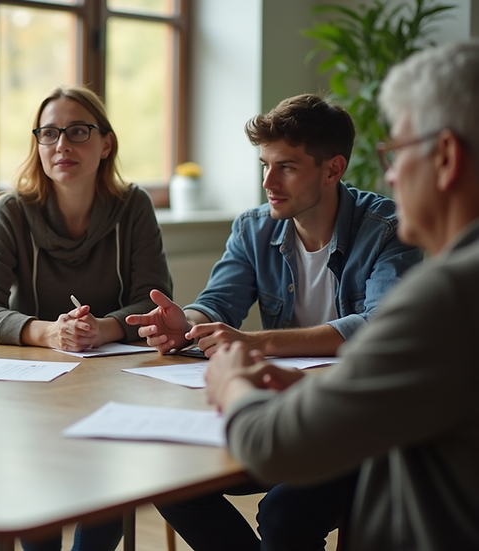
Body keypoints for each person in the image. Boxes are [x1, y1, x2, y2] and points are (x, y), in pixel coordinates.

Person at [204, 40, 479, 550]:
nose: (390, 175)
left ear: (444, 157)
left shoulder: (446, 296)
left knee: (284, 513)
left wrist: (231, 383)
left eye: (396, 153)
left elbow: (273, 444)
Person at [126, 94, 423, 551]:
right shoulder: (253, 228)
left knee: (285, 514)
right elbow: (218, 303)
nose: (268, 181)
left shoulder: (389, 228)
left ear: (332, 169)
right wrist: (185, 324)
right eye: (265, 165)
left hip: (353, 424)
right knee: (171, 481)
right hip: (280, 413)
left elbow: (377, 327)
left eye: (286, 167)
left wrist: (257, 343)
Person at [0, 85, 172, 551]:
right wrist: (51, 333)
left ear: (106, 143)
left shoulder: (133, 206)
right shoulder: (11, 211)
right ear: (37, 144)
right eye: (49, 133)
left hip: (111, 385)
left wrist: (103, 329)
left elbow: (153, 299)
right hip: (30, 392)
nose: (62, 145)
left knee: (109, 475)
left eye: (78, 132)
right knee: (34, 487)